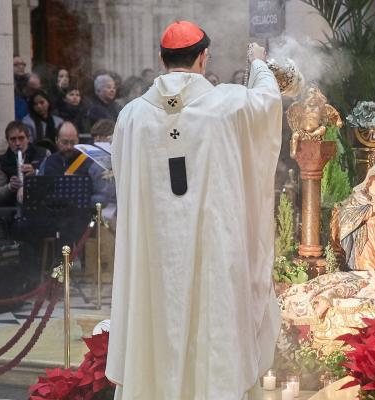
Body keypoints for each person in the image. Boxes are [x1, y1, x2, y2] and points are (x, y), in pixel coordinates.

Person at [107, 21, 282, 399]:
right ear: (204, 58)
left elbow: (124, 182)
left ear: (161, 59)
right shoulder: (229, 103)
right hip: (213, 253)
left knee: (155, 319)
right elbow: (268, 101)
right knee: (214, 319)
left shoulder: (132, 116)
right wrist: (259, 63)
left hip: (153, 256)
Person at [0, 121, 48, 207]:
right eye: (13, 139)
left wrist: (36, 173)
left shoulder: (43, 154)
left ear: (28, 138)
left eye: (21, 138)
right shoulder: (1, 161)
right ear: (7, 140)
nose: (17, 143)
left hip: (38, 206)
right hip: (10, 209)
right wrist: (10, 187)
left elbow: (51, 183)